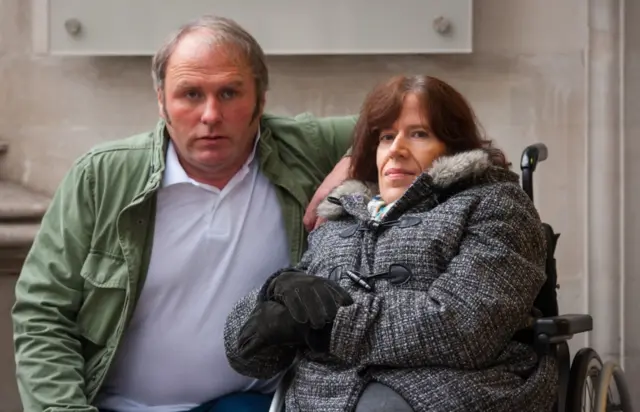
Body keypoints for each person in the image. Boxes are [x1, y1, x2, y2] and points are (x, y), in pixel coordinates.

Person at [11, 15, 355, 412]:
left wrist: (352, 161)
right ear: (161, 101)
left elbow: (424, 115)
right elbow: (43, 313)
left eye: (229, 93)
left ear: (260, 100)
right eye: (191, 94)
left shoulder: (302, 149)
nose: (210, 115)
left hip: (252, 403)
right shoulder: (102, 177)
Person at [224, 75, 559, 412]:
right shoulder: (341, 218)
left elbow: (466, 326)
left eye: (418, 134)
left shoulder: (495, 205)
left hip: (451, 386)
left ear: (453, 147)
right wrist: (274, 295)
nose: (396, 149)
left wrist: (329, 326)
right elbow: (250, 358)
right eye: (386, 137)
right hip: (327, 392)